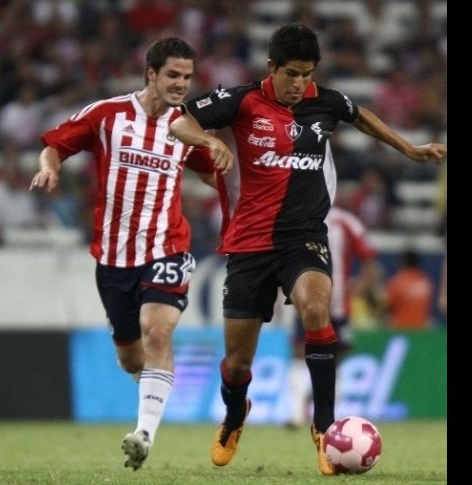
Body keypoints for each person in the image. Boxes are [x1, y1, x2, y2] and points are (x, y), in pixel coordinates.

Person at [168, 23, 446, 475]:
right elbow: (180, 119)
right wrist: (209, 140)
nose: (300, 84)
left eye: (307, 74)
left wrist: (409, 149)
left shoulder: (324, 101)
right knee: (237, 364)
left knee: (317, 310)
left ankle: (324, 428)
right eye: (292, 74)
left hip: (304, 237)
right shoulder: (239, 101)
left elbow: (361, 115)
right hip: (248, 244)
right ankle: (236, 415)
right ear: (271, 67)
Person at [30, 37, 220, 471]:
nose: (180, 84)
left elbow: (218, 178)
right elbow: (55, 144)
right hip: (113, 258)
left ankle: (145, 433)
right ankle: (154, 387)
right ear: (150, 73)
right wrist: (48, 167)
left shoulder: (187, 128)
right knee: (132, 357)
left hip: (167, 247)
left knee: (158, 333)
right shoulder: (107, 116)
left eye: (187, 77)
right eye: (173, 74)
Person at [286, 205, 381, 428]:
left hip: (339, 305)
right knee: (301, 352)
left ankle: (326, 414)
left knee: (335, 357)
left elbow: (368, 258)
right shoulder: (298, 214)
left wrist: (361, 287)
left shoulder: (346, 221)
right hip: (306, 299)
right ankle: (296, 413)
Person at [384, 249, 435, 329]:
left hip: (401, 330)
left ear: (403, 262)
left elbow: (388, 307)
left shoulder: (397, 282)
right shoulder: (425, 281)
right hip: (422, 331)